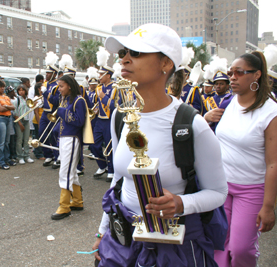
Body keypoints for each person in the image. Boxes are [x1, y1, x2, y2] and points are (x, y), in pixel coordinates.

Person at [92, 23, 228, 267]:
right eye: (123, 53)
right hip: (122, 241)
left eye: (136, 53)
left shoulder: (190, 124)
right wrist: (103, 233)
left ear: (166, 64)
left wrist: (180, 203)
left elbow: (218, 193)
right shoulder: (120, 116)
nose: (124, 60)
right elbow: (118, 182)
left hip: (174, 246)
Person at [212, 52, 277, 267]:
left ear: (257, 75)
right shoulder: (229, 103)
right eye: (231, 72)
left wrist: (268, 206)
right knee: (219, 243)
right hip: (222, 186)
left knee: (241, 250)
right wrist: (204, 118)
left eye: (239, 72)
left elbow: (273, 163)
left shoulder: (270, 112)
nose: (232, 77)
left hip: (251, 190)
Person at [51, 75, 91, 220]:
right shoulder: (66, 99)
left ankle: (64, 206)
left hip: (72, 138)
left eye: (61, 86)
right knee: (71, 172)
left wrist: (62, 111)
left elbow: (79, 121)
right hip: (64, 138)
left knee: (65, 172)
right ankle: (77, 202)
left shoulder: (79, 100)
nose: (59, 89)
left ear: (69, 85)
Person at [91, 48, 115, 182]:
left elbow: (115, 106)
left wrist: (104, 97)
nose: (99, 77)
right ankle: (102, 165)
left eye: (101, 74)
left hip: (110, 120)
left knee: (110, 147)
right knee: (94, 144)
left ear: (108, 75)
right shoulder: (98, 88)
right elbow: (96, 104)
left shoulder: (115, 87)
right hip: (99, 120)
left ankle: (111, 170)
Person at [40, 52, 60, 167]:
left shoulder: (57, 85)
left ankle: (57, 157)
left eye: (48, 73)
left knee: (53, 135)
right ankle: (48, 155)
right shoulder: (45, 83)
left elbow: (56, 101)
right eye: (46, 72)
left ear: (54, 73)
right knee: (42, 134)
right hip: (45, 112)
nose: (46, 75)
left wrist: (45, 93)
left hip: (53, 113)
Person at [0, 79, 15, 169]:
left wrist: (6, 106)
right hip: (0, 119)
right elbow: (0, 109)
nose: (2, 88)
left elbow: (13, 107)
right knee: (1, 142)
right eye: (0, 87)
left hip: (8, 118)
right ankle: (1, 161)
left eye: (3, 87)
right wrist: (8, 107)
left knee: (7, 141)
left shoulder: (6, 97)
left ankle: (7, 158)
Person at [13, 85, 34, 165]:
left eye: (22, 90)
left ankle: (26, 155)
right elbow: (15, 113)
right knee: (19, 139)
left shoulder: (28, 100)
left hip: (27, 120)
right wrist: (20, 123)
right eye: (19, 90)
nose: (21, 92)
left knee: (26, 139)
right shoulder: (17, 100)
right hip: (20, 120)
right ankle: (20, 156)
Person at [32, 83, 45, 160]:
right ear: (38, 89)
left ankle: (42, 152)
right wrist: (39, 122)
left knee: (42, 136)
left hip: (43, 118)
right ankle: (38, 153)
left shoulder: (43, 97)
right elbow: (36, 112)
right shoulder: (36, 98)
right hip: (38, 120)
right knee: (37, 137)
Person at [6, 86, 18, 164]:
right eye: (11, 91)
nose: (13, 92)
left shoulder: (16, 99)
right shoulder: (8, 99)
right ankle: (10, 155)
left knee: (14, 137)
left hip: (15, 118)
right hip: (10, 118)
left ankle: (14, 154)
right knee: (10, 138)